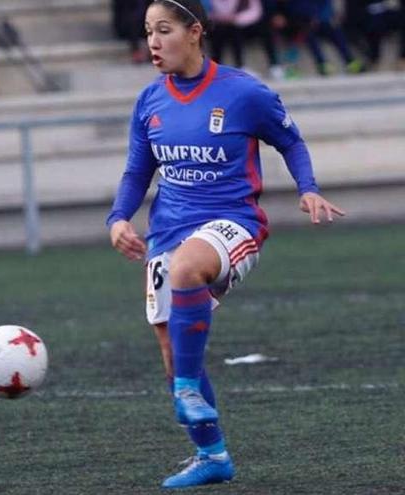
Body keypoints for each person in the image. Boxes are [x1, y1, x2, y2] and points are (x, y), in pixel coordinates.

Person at [105, 0, 344, 488]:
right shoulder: (150, 101)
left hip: (233, 221)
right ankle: (212, 457)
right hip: (166, 230)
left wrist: (309, 188)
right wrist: (117, 219)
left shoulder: (243, 92)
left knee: (187, 270)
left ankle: (190, 389)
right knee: (172, 352)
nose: (153, 41)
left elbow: (290, 141)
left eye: (164, 30)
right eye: (148, 31)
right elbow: (138, 170)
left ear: (195, 32)